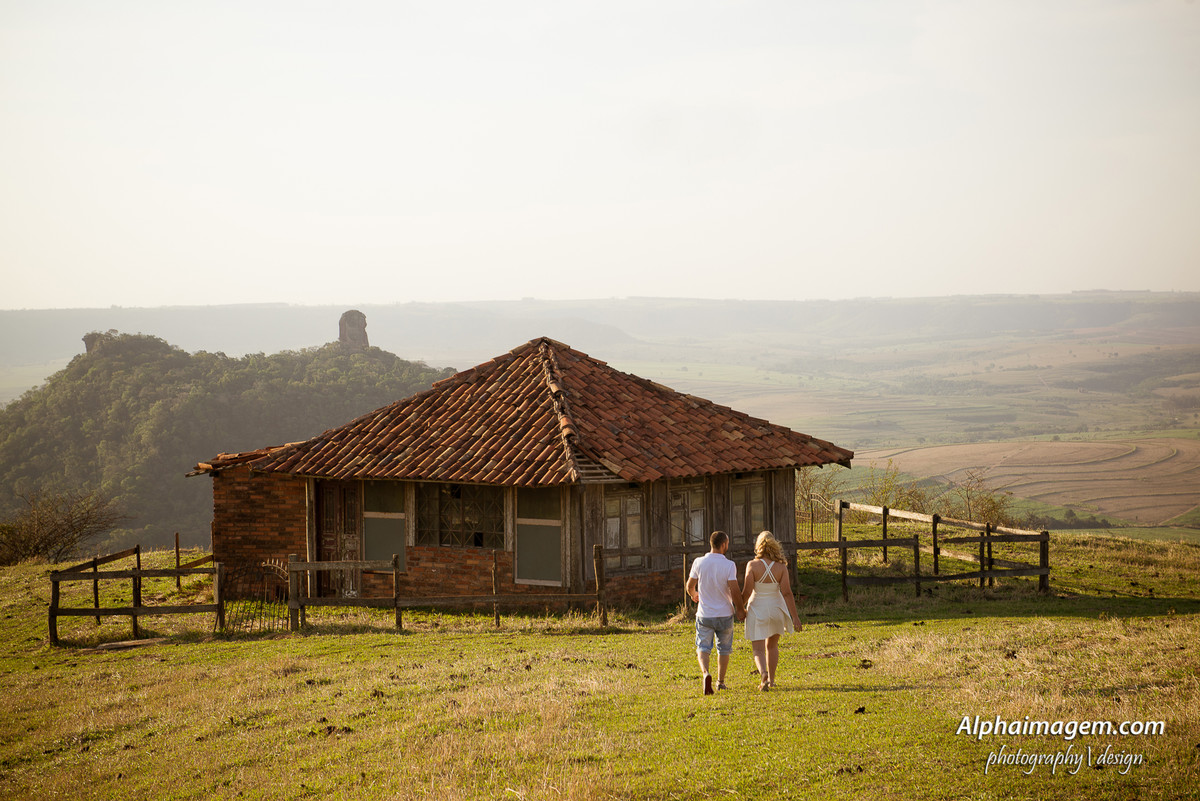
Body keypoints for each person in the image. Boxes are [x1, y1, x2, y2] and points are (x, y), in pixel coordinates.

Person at [741, 530, 803, 691]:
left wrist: (739, 608)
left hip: (757, 609)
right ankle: (773, 680)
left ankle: (763, 676)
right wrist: (795, 617)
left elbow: (747, 592)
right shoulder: (781, 567)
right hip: (776, 609)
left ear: (758, 546)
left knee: (758, 649)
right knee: (772, 646)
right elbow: (787, 593)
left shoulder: (752, 565)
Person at [686, 530, 745, 694]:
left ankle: (705, 673)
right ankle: (720, 681)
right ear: (724, 544)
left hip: (705, 614)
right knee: (724, 649)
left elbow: (689, 585)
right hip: (725, 614)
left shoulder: (699, 562)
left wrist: (693, 594)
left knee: (703, 647)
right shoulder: (729, 565)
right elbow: (734, 590)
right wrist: (740, 610)